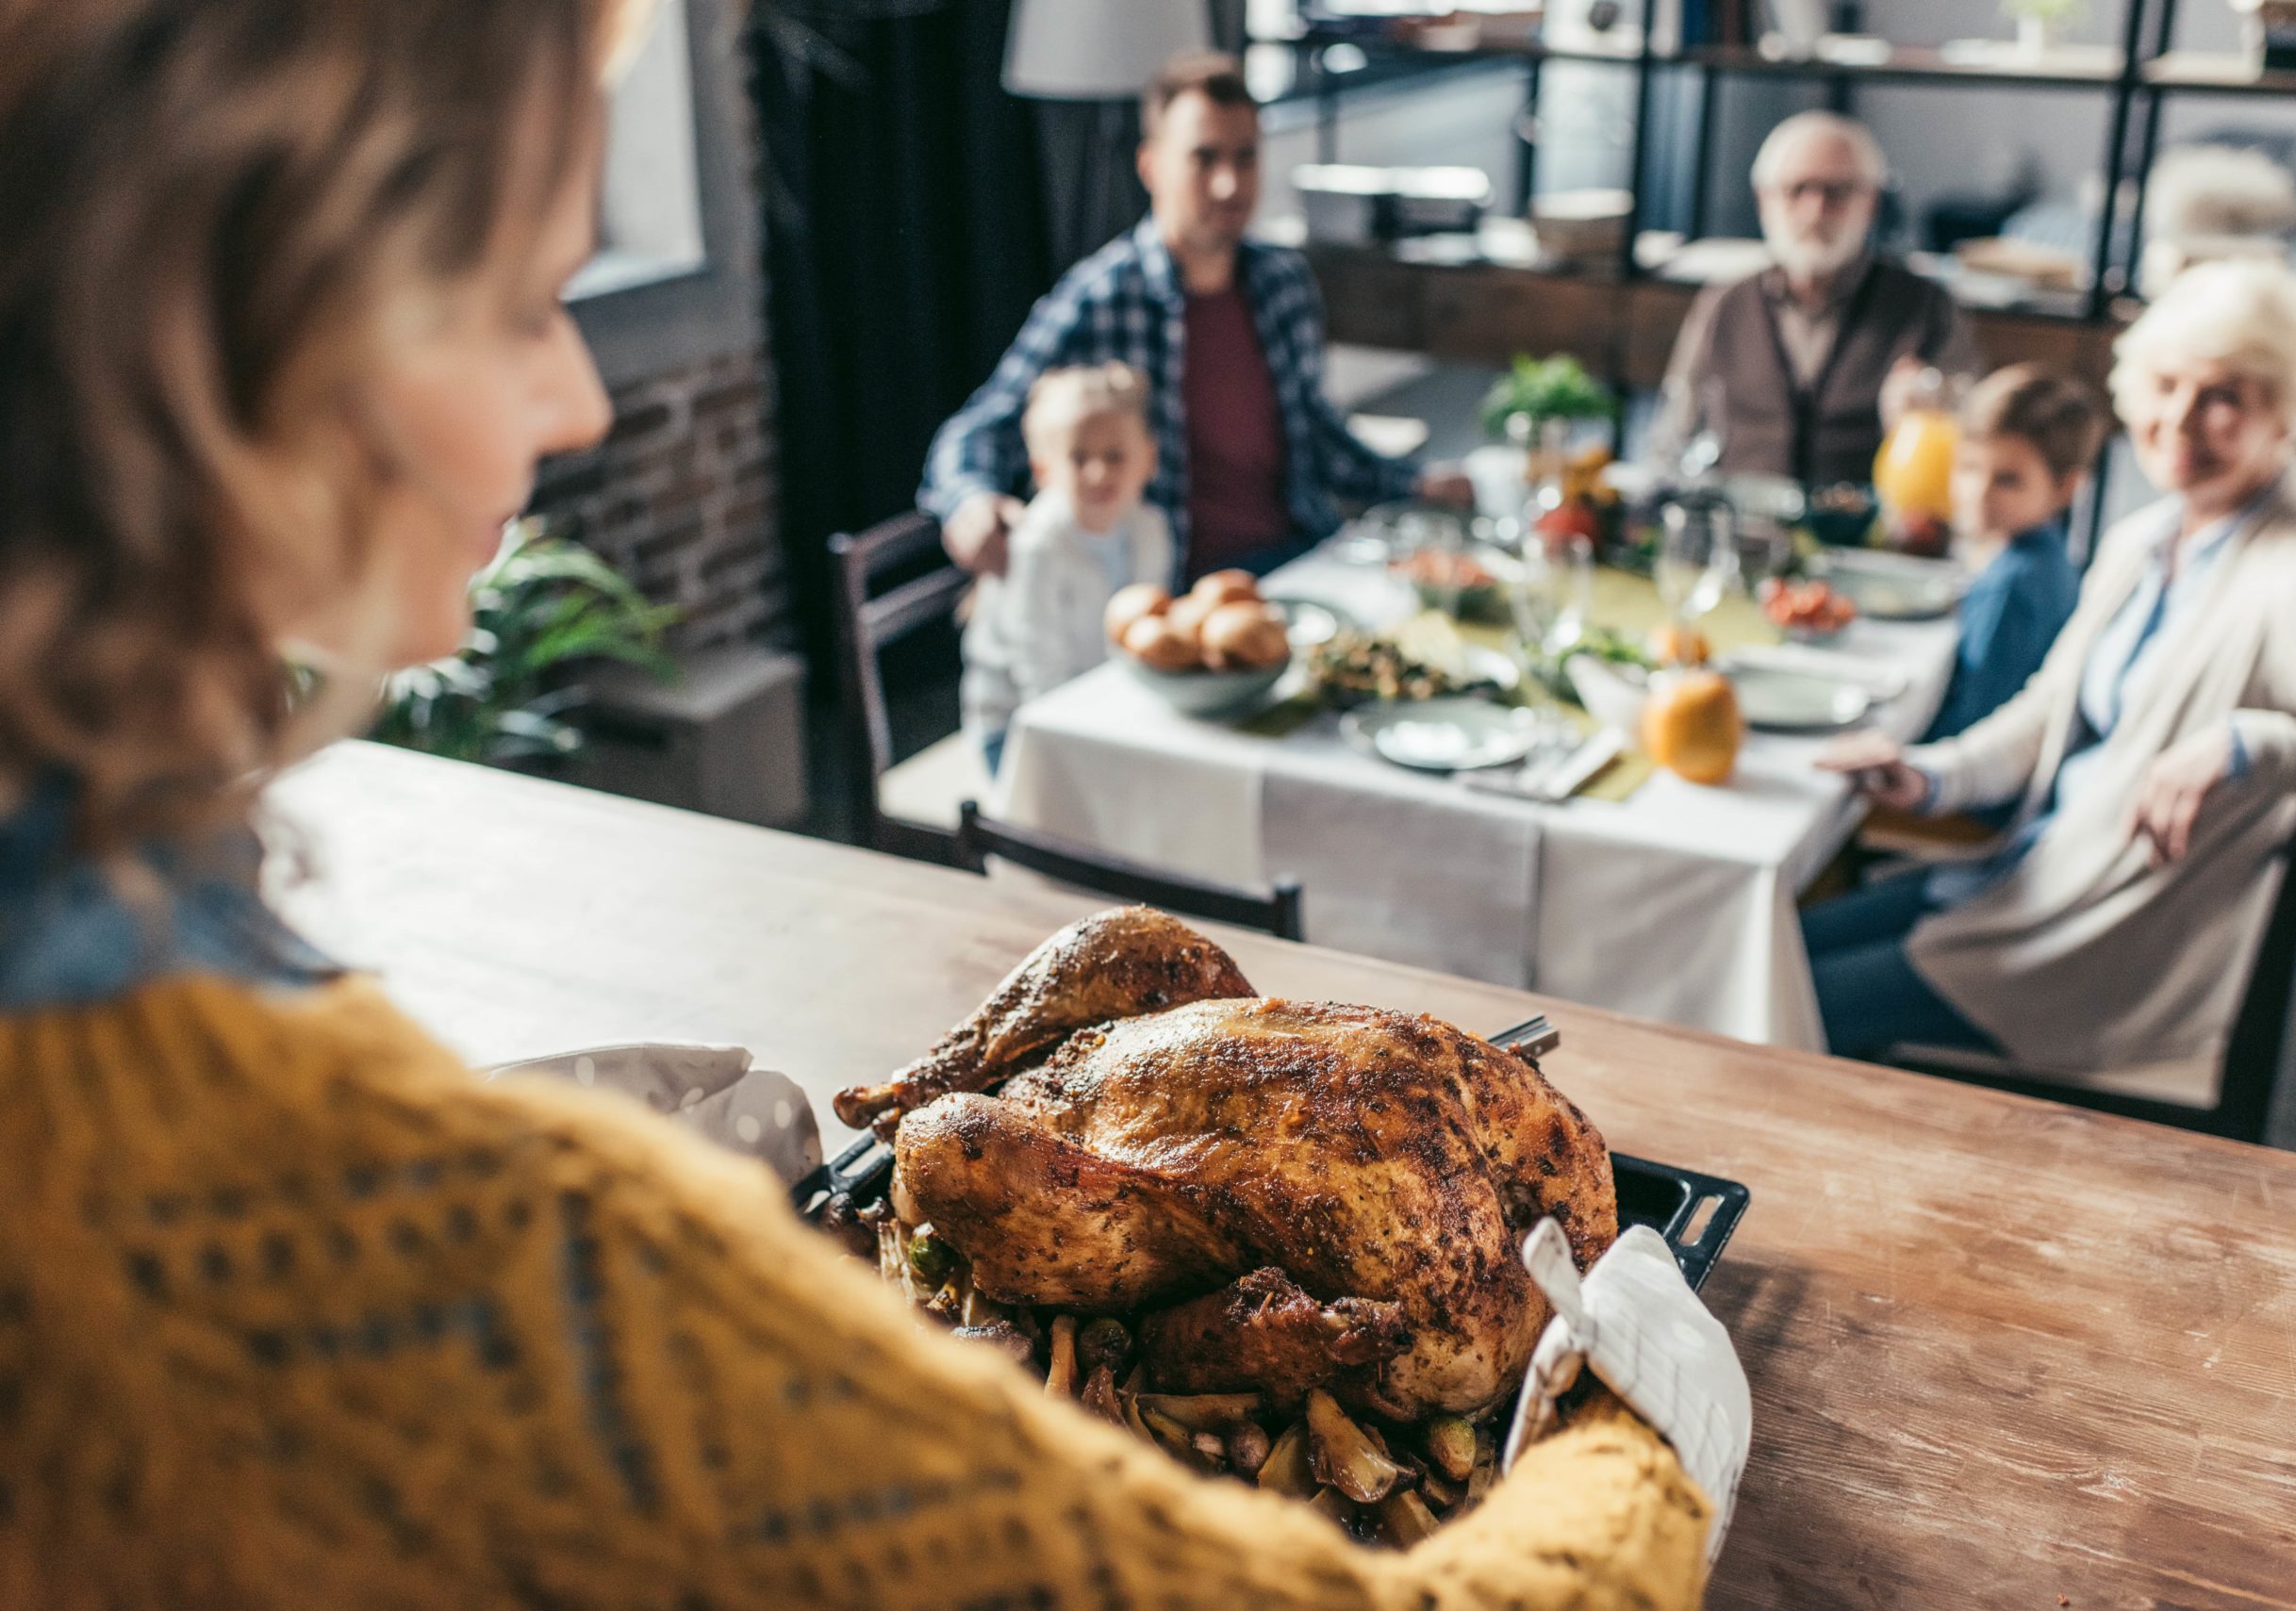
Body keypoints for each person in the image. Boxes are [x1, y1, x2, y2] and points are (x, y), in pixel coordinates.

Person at [0, 1, 1744, 1603]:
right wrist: (1644, 1403)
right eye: (523, 300)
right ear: (217, 332)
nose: (581, 393)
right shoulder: (348, 1229)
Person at [1809, 262, 2296, 1067]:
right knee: (1767, 954)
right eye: (2166, 384)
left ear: (2288, 414)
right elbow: (2047, 710)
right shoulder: (2149, 536)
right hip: (2016, 879)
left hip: (2087, 954)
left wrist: (2252, 743)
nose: (2182, 418)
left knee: (1770, 997)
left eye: (2226, 395)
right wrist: (1929, 777)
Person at [920, 50, 1471, 586]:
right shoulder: (1101, 299)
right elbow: (978, 429)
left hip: (1303, 560)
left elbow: (1318, 436)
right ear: (1151, 165)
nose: (1229, 184)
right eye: (1204, 158)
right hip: (1175, 592)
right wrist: (969, 499)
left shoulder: (1284, 283)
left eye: (1245, 157)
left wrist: (1415, 483)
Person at [1654, 112, 1981, 490]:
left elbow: (1972, 437)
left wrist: (1928, 413)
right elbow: (1673, 435)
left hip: (1864, 529)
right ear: (1764, 201)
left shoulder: (1925, 306)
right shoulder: (1727, 301)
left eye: (1836, 193)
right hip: (1741, 520)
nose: (1815, 212)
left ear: (1871, 203)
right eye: (1797, 190)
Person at [961, 363, 1173, 775]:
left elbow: (1146, 640)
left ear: (1148, 458)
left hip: (1107, 710)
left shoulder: (1151, 530)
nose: (1098, 473)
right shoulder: (1037, 548)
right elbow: (1041, 679)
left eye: (1115, 456)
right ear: (1044, 469)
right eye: (1079, 458)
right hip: (1019, 728)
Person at [1921, 364, 2100, 743]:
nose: (1978, 493)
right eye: (1969, 468)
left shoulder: (2015, 583)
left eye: (2008, 480)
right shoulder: (2026, 554)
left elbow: (1974, 722)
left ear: (2066, 488)